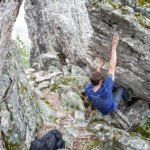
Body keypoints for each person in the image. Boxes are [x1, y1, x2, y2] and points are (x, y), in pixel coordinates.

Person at [85, 35, 130, 115]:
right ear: (101, 82)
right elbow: (112, 67)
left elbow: (96, 77)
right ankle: (128, 101)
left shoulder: (88, 89)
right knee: (121, 88)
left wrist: (99, 66)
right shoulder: (106, 88)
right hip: (111, 107)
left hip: (102, 109)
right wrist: (114, 46)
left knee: (109, 94)